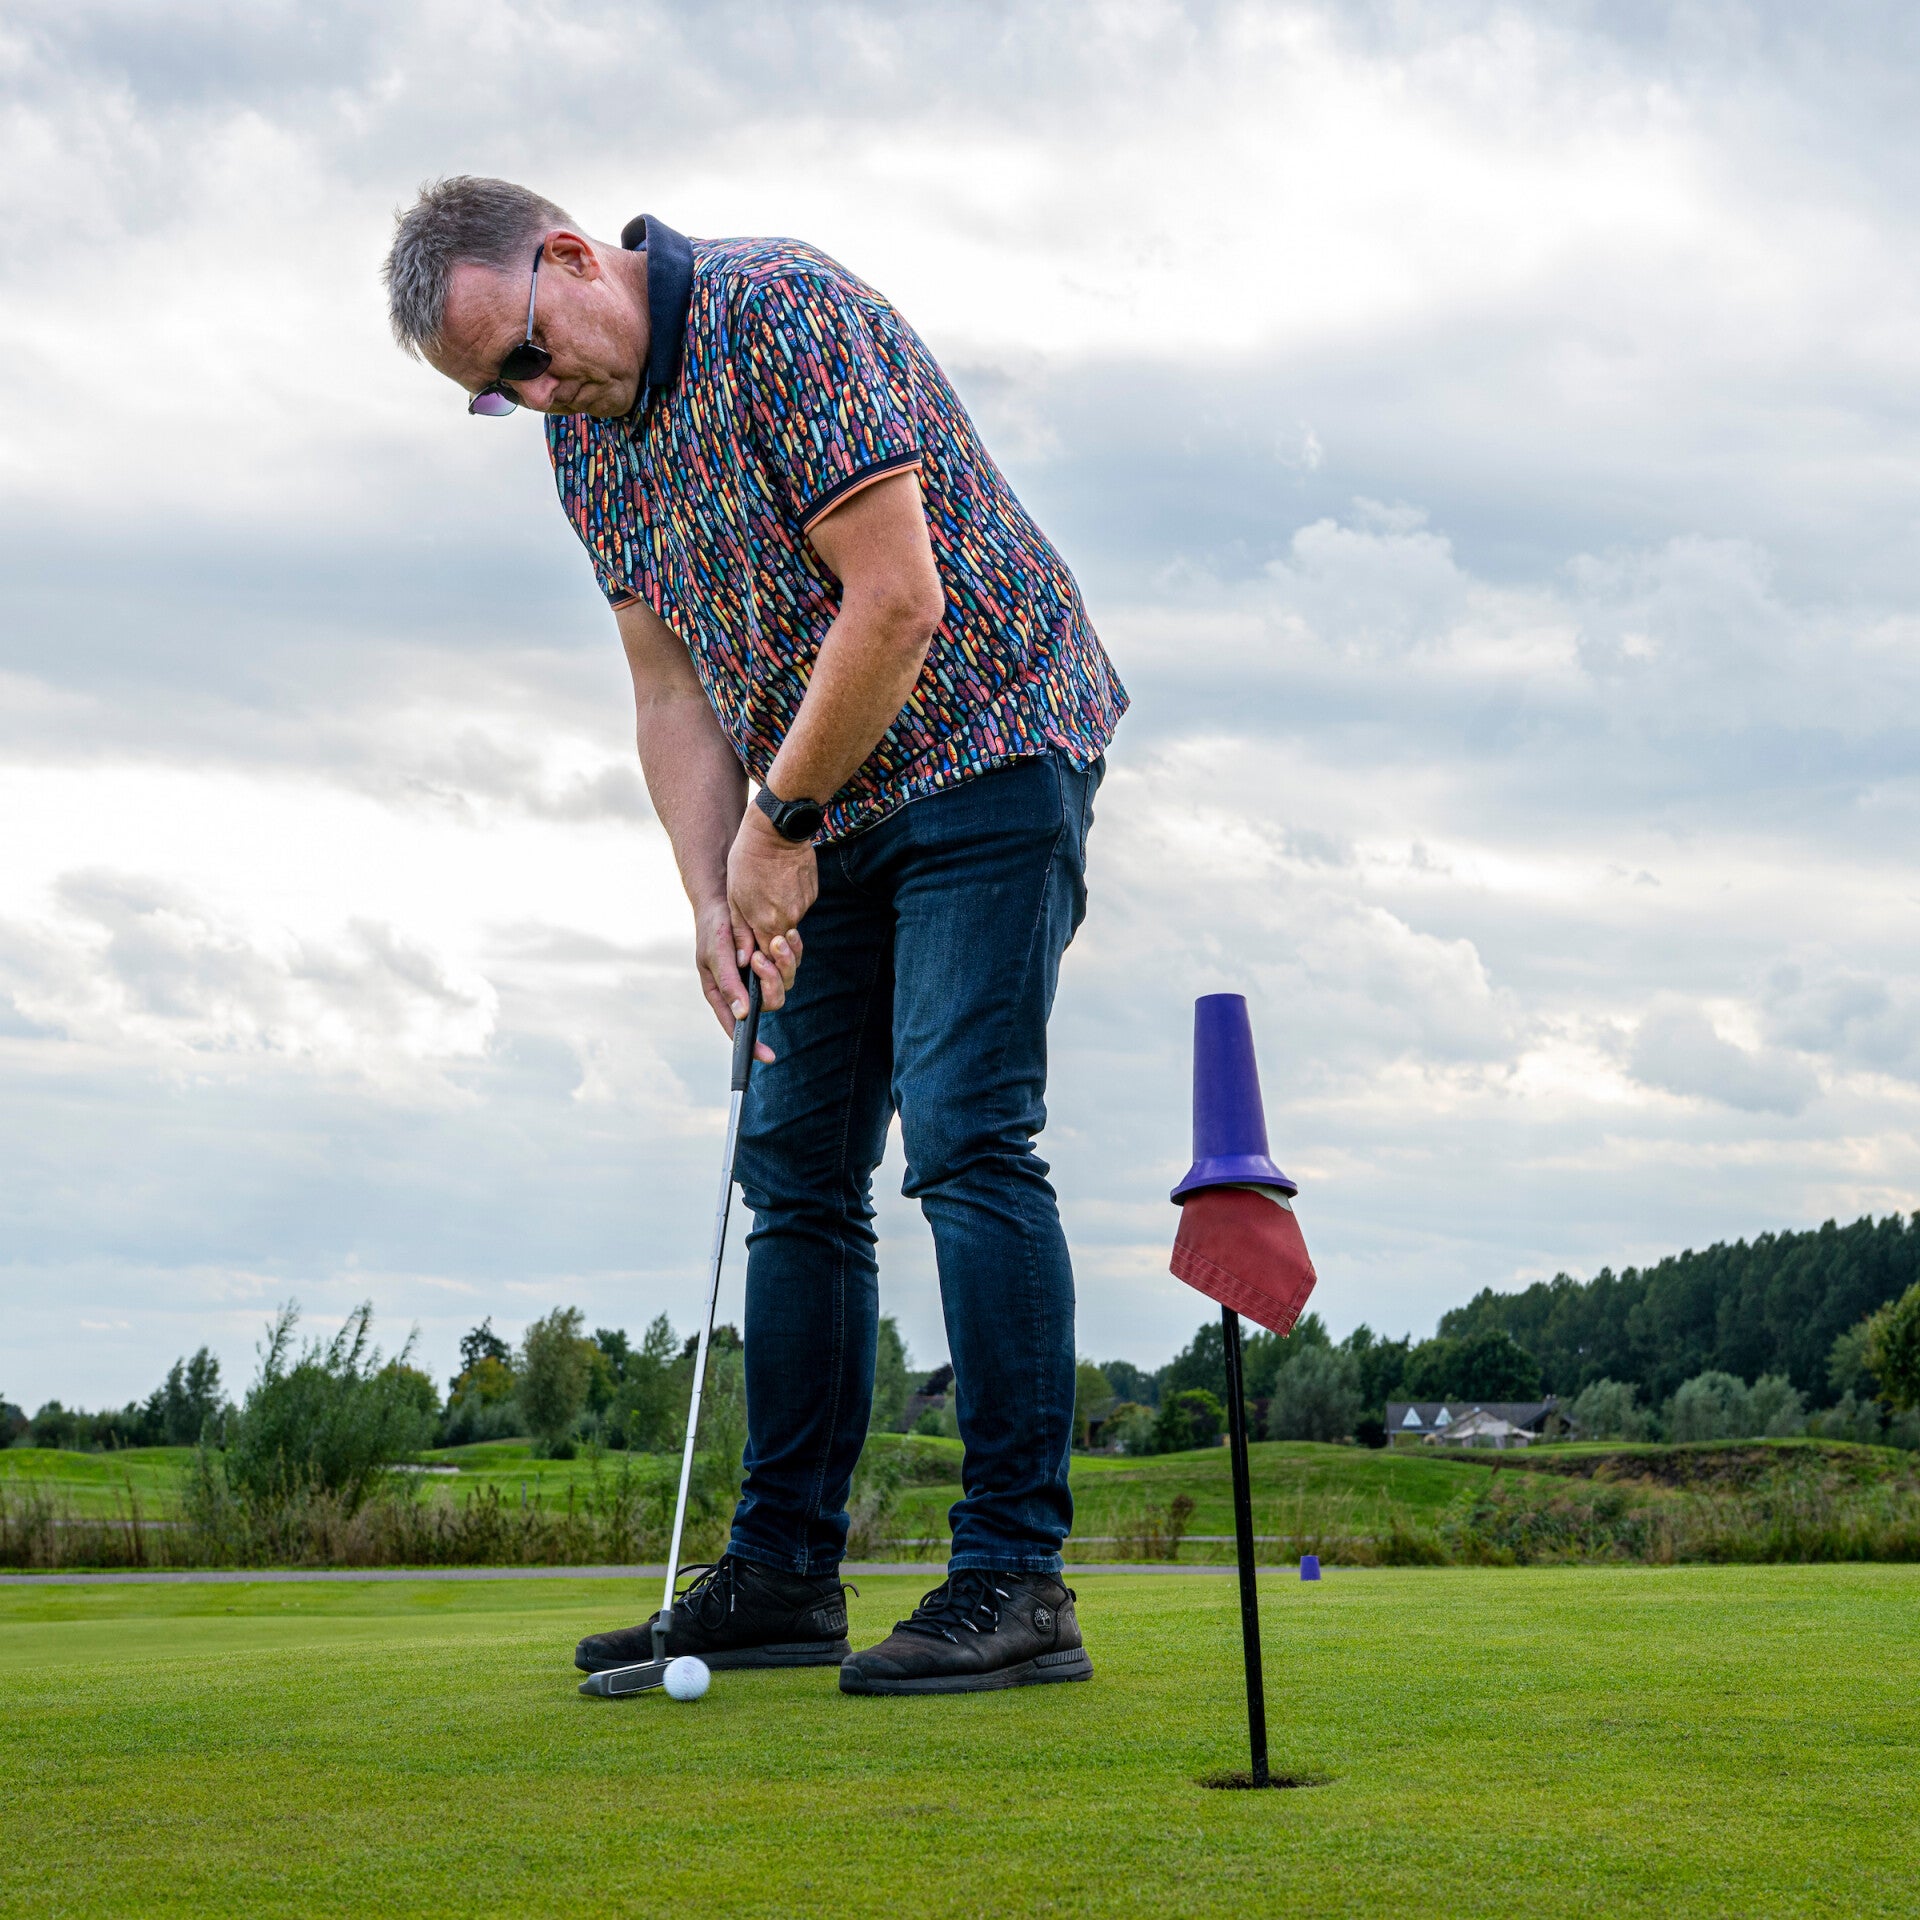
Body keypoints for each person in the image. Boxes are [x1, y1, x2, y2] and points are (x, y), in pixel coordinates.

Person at [383, 178, 1126, 1694]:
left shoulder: (781, 311)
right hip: (818, 799)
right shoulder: (582, 443)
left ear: (572, 259)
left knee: (967, 1136)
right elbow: (668, 687)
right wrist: (714, 897)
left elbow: (897, 601)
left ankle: (1015, 1577)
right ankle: (784, 1573)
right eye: (496, 393)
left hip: (989, 746)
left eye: (526, 354)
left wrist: (777, 829)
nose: (534, 395)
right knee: (791, 1171)